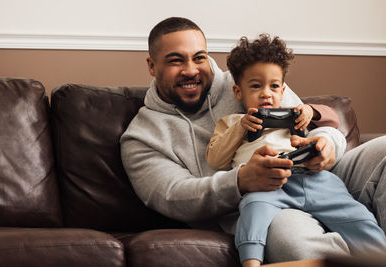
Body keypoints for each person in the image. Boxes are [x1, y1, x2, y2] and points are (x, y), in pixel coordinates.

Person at [120, 16, 386, 263]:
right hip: (262, 205)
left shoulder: (252, 77)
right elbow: (173, 195)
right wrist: (240, 181)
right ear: (152, 66)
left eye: (199, 57)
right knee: (294, 242)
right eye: (176, 60)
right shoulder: (142, 137)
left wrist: (328, 145)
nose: (191, 70)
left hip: (318, 177)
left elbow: (307, 122)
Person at [205, 34, 386, 267]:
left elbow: (332, 120)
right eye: (255, 86)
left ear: (282, 91)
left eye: (274, 86)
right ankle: (250, 262)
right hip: (268, 186)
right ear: (238, 92)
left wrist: (311, 112)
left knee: (358, 217)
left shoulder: (294, 114)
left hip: (314, 179)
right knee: (251, 211)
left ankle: (379, 255)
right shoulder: (232, 122)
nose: (266, 93)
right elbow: (216, 158)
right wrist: (240, 128)